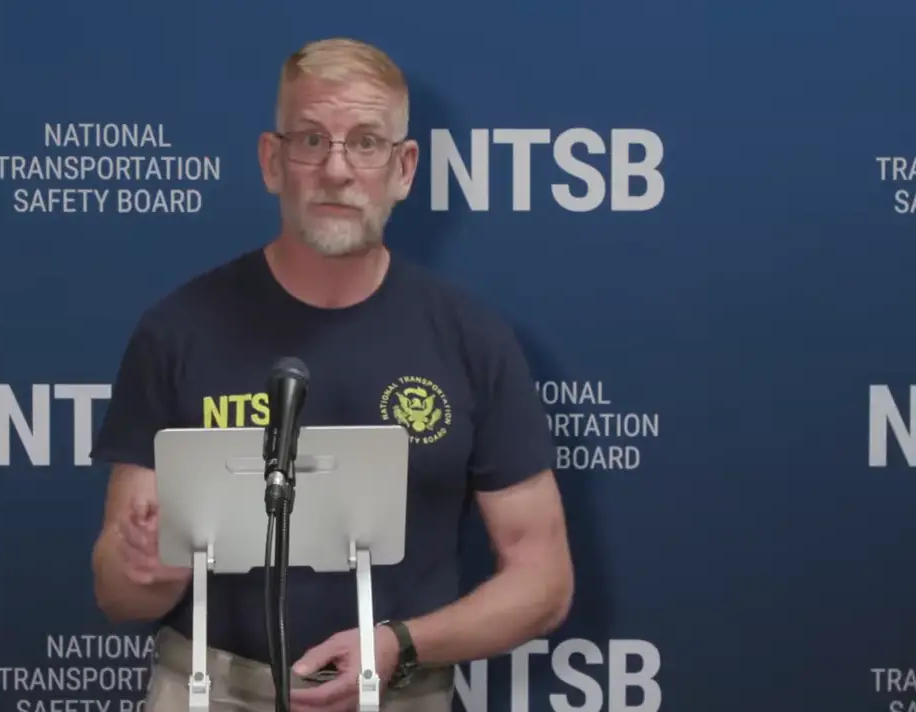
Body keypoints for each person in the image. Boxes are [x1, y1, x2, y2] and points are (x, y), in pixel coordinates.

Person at [89, 37, 574, 712]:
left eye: (366, 142)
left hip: (399, 688)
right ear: (272, 161)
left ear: (404, 168)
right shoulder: (178, 330)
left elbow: (544, 578)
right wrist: (149, 568)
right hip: (206, 686)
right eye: (311, 140)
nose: (336, 169)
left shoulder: (470, 338)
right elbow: (116, 592)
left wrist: (403, 645)